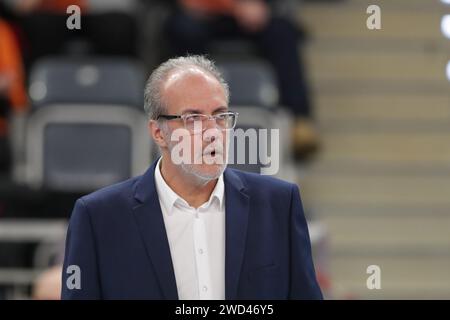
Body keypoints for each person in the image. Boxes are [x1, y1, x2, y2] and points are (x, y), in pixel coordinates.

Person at [61, 55, 322, 300]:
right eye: (193, 118)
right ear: (158, 132)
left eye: (220, 116)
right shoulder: (99, 218)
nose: (212, 132)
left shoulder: (278, 204)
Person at [165, 0, 319, 159]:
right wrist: (235, 7)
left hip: (249, 14)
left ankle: (298, 119)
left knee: (282, 31)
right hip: (200, 15)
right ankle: (186, 115)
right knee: (183, 29)